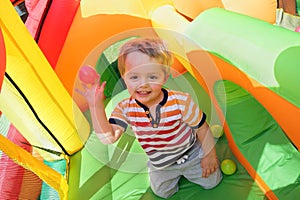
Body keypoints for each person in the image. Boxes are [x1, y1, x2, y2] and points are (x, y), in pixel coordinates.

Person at [79, 37, 222, 198]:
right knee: (162, 193)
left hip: (191, 154)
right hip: (161, 166)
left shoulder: (181, 102)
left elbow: (202, 127)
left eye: (152, 77)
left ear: (165, 77)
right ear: (124, 78)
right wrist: (95, 106)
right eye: (134, 77)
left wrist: (210, 155)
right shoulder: (125, 109)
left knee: (213, 182)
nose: (143, 84)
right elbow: (108, 138)